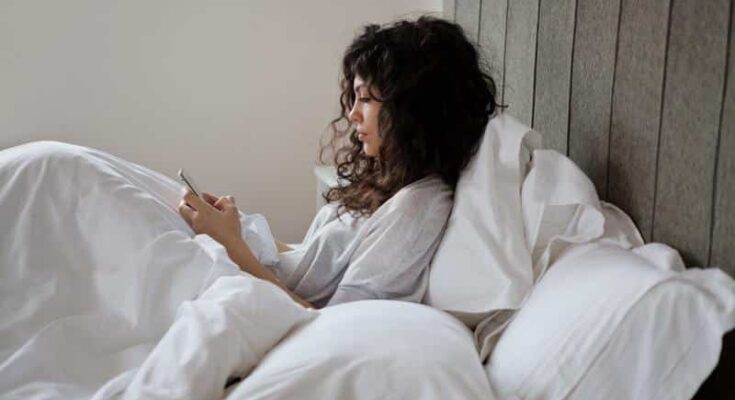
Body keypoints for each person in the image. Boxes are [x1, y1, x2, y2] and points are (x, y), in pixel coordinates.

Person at [177, 16, 500, 309]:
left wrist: (232, 245)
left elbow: (333, 323)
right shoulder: (393, 181)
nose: (352, 113)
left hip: (252, 288)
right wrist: (235, 229)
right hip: (247, 270)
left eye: (367, 99)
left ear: (412, 109)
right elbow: (311, 257)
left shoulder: (420, 205)